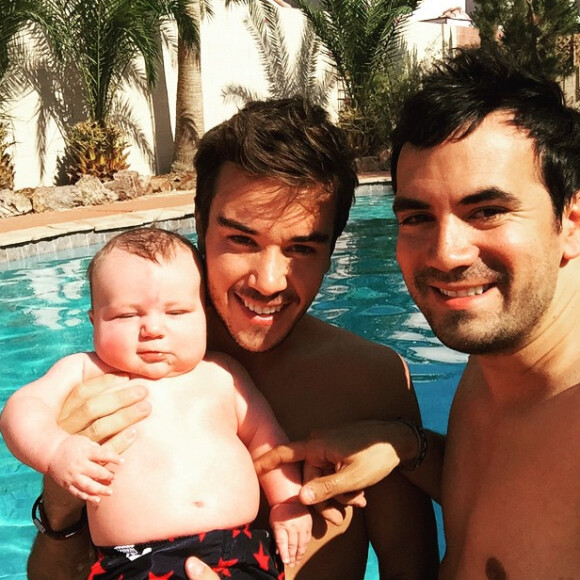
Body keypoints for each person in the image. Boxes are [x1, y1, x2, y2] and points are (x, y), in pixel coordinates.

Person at [25, 98, 439, 580]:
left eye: (301, 248)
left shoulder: (370, 382)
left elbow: (413, 571)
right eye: (242, 241)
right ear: (199, 224)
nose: (268, 282)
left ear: (332, 251)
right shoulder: (114, 371)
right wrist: (60, 508)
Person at [256, 47, 580, 579]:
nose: (446, 253)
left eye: (488, 211)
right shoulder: (496, 363)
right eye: (417, 217)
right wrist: (408, 446)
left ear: (569, 221)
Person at [1, 227, 312, 579]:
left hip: (242, 552)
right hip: (133, 562)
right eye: (125, 315)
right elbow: (21, 409)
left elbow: (268, 443)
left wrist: (288, 502)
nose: (152, 329)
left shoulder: (224, 375)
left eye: (176, 312)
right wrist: (56, 450)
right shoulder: (85, 370)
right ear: (94, 321)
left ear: (204, 315)